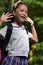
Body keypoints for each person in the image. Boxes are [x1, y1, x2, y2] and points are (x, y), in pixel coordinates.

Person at [0, 0, 38, 65]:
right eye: (22, 11)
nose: (24, 13)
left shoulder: (24, 29)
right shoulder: (9, 27)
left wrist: (32, 24)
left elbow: (35, 39)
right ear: (14, 12)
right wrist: (1, 21)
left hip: (24, 60)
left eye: (26, 12)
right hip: (12, 59)